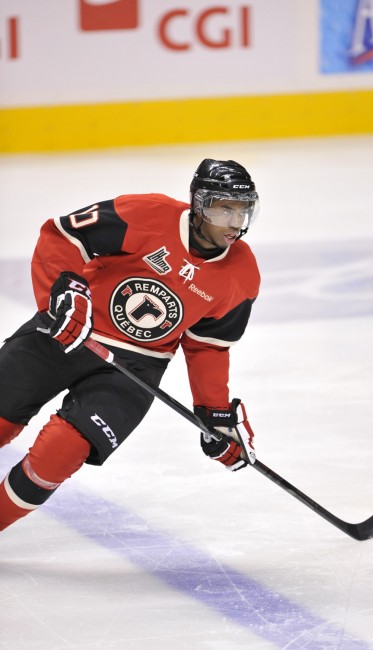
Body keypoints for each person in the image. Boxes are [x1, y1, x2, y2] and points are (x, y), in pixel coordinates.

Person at [0, 158, 260, 532]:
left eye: (243, 209)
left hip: (137, 368)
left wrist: (214, 413)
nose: (235, 223)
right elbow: (63, 236)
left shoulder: (242, 274)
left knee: (61, 453)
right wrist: (64, 292)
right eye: (224, 208)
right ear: (199, 204)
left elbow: (208, 347)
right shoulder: (146, 213)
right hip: (73, 330)